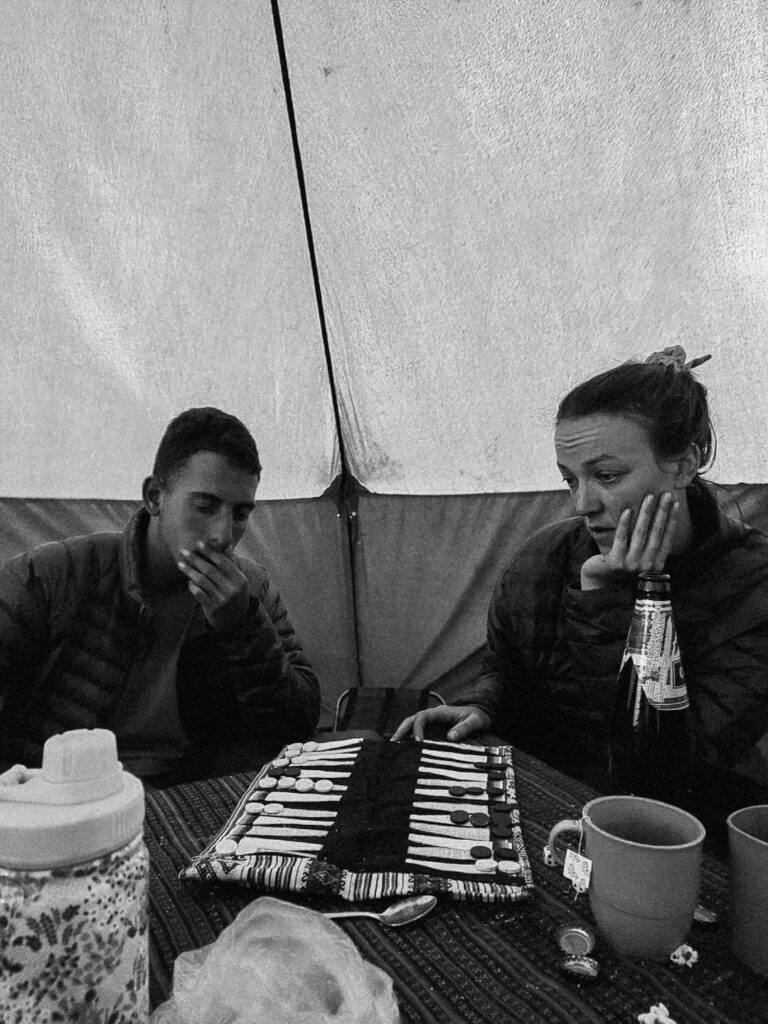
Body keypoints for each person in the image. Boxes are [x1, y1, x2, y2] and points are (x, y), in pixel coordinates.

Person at [393, 347, 768, 825]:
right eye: (570, 480)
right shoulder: (544, 558)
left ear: (684, 464)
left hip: (671, 835)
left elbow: (658, 771)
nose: (582, 504)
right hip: (543, 806)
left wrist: (615, 600)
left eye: (607, 476)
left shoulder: (753, 584)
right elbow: (509, 667)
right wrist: (486, 704)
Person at [0, 407, 321, 783]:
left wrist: (244, 629)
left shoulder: (251, 590)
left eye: (240, 514)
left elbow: (296, 724)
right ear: (155, 497)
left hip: (186, 791)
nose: (222, 534)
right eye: (205, 506)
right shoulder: (59, 574)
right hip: (64, 798)